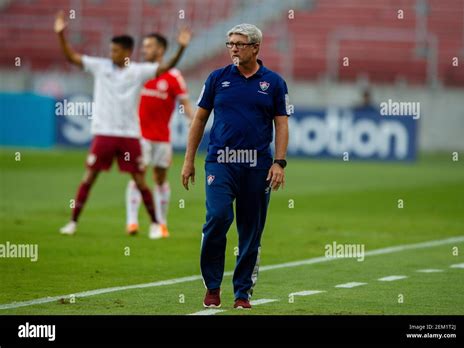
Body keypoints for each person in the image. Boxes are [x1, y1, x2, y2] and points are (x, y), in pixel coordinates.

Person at [53, 11, 191, 238]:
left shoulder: (138, 71)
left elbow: (165, 68)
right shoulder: (101, 66)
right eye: (110, 50)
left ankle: (156, 224)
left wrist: (182, 48)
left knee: (140, 180)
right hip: (103, 133)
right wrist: (61, 35)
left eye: (116, 51)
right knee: (90, 177)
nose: (111, 54)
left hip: (129, 134)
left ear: (127, 52)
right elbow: (72, 58)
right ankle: (73, 222)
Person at [181, 24, 290, 309]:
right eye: (229, 43)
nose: (233, 48)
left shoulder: (275, 83)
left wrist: (279, 162)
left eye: (239, 44)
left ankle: (242, 293)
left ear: (255, 47)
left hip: (257, 166)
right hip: (221, 162)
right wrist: (188, 159)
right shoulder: (217, 79)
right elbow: (199, 120)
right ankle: (212, 286)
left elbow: (282, 124)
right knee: (217, 218)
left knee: (250, 231)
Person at [125, 33, 194, 239]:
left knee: (160, 178)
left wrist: (195, 121)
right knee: (138, 176)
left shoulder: (173, 76)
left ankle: (161, 224)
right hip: (139, 136)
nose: (144, 50)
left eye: (149, 46)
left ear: (160, 50)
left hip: (163, 138)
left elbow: (185, 103)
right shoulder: (138, 73)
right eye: (144, 46)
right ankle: (132, 222)